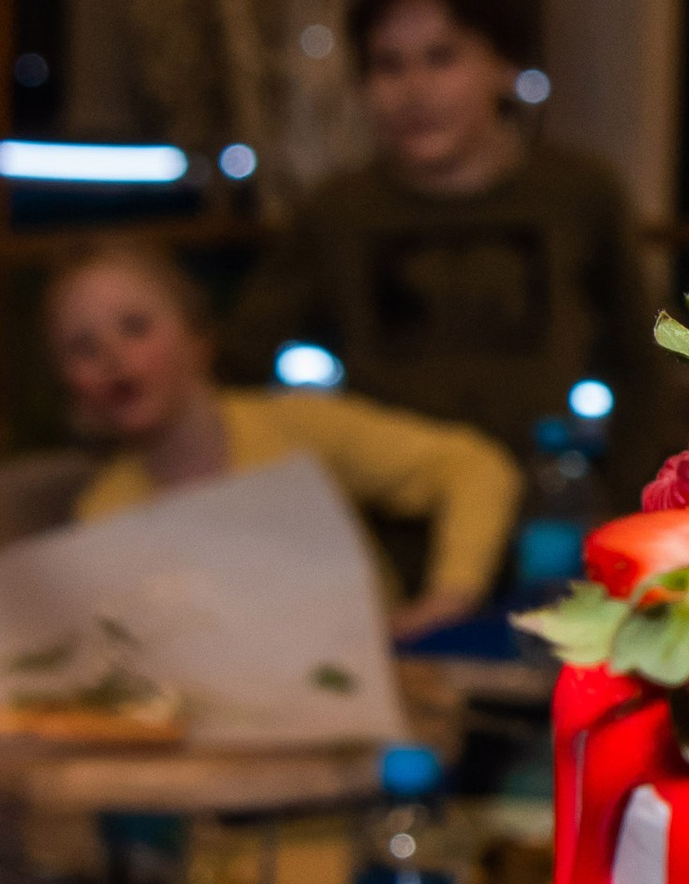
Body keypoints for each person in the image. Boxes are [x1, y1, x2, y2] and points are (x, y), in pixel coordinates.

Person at [225, 0, 671, 491]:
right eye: (388, 65)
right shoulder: (338, 210)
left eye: (442, 57)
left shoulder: (578, 192)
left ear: (504, 66)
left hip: (547, 507)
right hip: (392, 512)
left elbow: (644, 364)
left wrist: (625, 494)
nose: (414, 91)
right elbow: (239, 357)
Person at [49, 240, 519, 643]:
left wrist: (450, 597)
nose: (112, 357)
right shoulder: (103, 514)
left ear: (197, 337)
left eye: (135, 327)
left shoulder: (297, 427)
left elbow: (473, 466)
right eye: (82, 348)